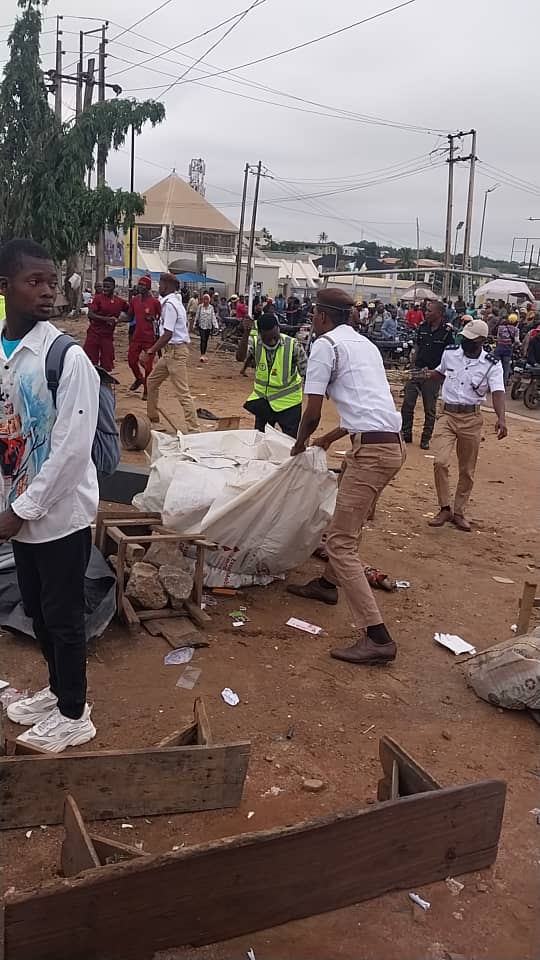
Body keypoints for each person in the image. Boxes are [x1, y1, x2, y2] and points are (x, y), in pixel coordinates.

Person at [0, 238, 100, 752]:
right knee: (37, 610)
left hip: (59, 515)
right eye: (33, 281)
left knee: (63, 618)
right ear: (5, 287)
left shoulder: (66, 357)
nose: (46, 292)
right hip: (18, 511)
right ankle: (57, 689)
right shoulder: (4, 355)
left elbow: (71, 450)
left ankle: (74, 712)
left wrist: (22, 510)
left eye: (52, 282)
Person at [287, 288, 405, 666]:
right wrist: (330, 439)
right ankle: (327, 584)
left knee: (340, 542)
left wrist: (301, 443)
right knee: (346, 522)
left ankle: (378, 636)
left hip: (371, 452)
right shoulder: (364, 345)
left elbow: (313, 409)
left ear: (322, 316)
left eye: (314, 315)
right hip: (387, 445)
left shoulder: (325, 346)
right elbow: (367, 405)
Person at [425, 318, 507, 532]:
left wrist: (501, 418)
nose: (464, 341)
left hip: (471, 419)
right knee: (440, 462)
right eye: (464, 337)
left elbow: (498, 392)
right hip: (447, 415)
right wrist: (424, 375)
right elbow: (440, 371)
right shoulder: (450, 353)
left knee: (467, 470)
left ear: (481, 341)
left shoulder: (491, 364)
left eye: (470, 340)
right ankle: (444, 507)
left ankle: (459, 512)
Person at [144, 274, 199, 433]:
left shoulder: (169, 305)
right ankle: (153, 420)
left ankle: (194, 430)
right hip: (170, 353)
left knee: (183, 393)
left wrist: (150, 351)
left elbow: (168, 333)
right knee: (152, 382)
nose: (159, 287)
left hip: (175, 352)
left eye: (160, 284)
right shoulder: (175, 302)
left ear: (167, 286)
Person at [240, 312, 307, 437]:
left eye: (275, 337)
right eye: (268, 338)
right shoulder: (255, 342)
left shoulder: (293, 345)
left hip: (289, 403)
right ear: (260, 334)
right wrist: (246, 333)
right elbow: (240, 357)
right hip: (264, 402)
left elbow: (306, 371)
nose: (272, 341)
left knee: (290, 442)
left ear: (278, 328)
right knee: (261, 440)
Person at [401, 300, 454, 449]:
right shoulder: (423, 327)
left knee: (429, 408)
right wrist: (412, 365)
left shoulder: (447, 332)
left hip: (433, 374)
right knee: (407, 403)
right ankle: (406, 434)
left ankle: (425, 438)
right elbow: (417, 346)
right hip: (417, 370)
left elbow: (449, 355)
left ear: (439, 313)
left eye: (430, 311)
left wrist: (440, 373)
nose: (426, 313)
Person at [83, 276, 128, 372]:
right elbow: (90, 314)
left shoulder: (120, 301)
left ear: (114, 287)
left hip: (107, 336)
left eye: (108, 287)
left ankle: (105, 383)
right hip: (94, 333)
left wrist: (119, 320)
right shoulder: (98, 299)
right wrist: (106, 319)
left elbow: (131, 313)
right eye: (104, 286)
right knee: (90, 360)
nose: (105, 289)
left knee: (107, 362)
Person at [127, 277, 161, 398]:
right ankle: (139, 378)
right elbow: (129, 316)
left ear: (148, 287)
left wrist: (154, 319)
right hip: (137, 336)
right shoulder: (135, 300)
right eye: (139, 284)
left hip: (149, 339)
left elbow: (160, 318)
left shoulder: (155, 303)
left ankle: (147, 390)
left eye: (142, 284)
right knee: (131, 360)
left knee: (148, 366)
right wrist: (116, 320)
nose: (140, 286)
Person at [494, 312, 519, 387]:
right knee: (506, 368)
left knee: (496, 367)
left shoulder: (500, 327)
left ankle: (494, 383)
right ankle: (502, 385)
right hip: (508, 350)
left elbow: (498, 338)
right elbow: (517, 341)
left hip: (499, 349)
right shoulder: (516, 330)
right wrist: (515, 344)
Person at [194, 292, 219, 362]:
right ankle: (202, 355)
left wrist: (216, 326)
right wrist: (194, 324)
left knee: (206, 340)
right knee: (203, 339)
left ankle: (204, 354)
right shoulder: (200, 307)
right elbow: (197, 315)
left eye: (207, 299)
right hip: (201, 325)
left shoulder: (211, 307)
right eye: (204, 299)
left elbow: (213, 317)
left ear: (209, 300)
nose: (205, 301)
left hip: (208, 326)